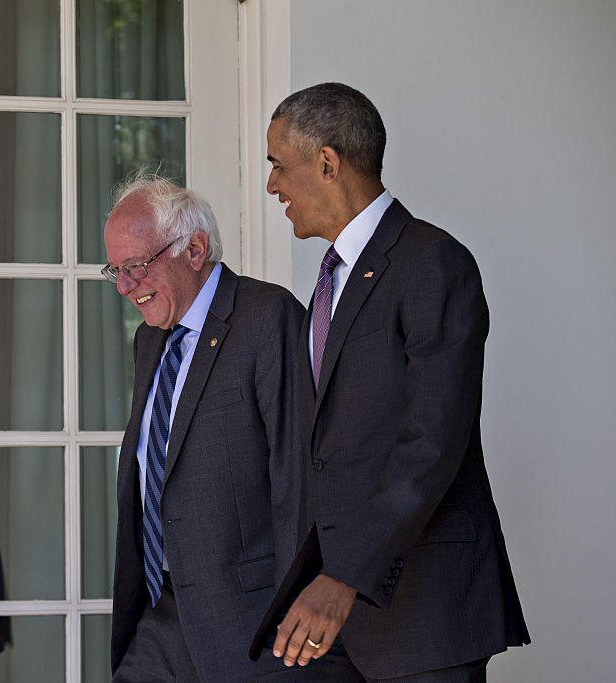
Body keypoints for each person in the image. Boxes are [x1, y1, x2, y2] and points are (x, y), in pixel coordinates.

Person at [261, 83, 531, 680]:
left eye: (279, 165)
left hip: (422, 617)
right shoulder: (332, 280)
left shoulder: (434, 262)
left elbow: (432, 441)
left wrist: (345, 577)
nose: (273, 185)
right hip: (334, 626)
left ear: (327, 163)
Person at [104, 174, 306, 681]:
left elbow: (298, 476)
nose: (126, 287)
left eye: (137, 267)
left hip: (252, 619)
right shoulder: (150, 340)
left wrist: (295, 610)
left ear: (194, 249)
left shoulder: (268, 318)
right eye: (116, 271)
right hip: (163, 610)